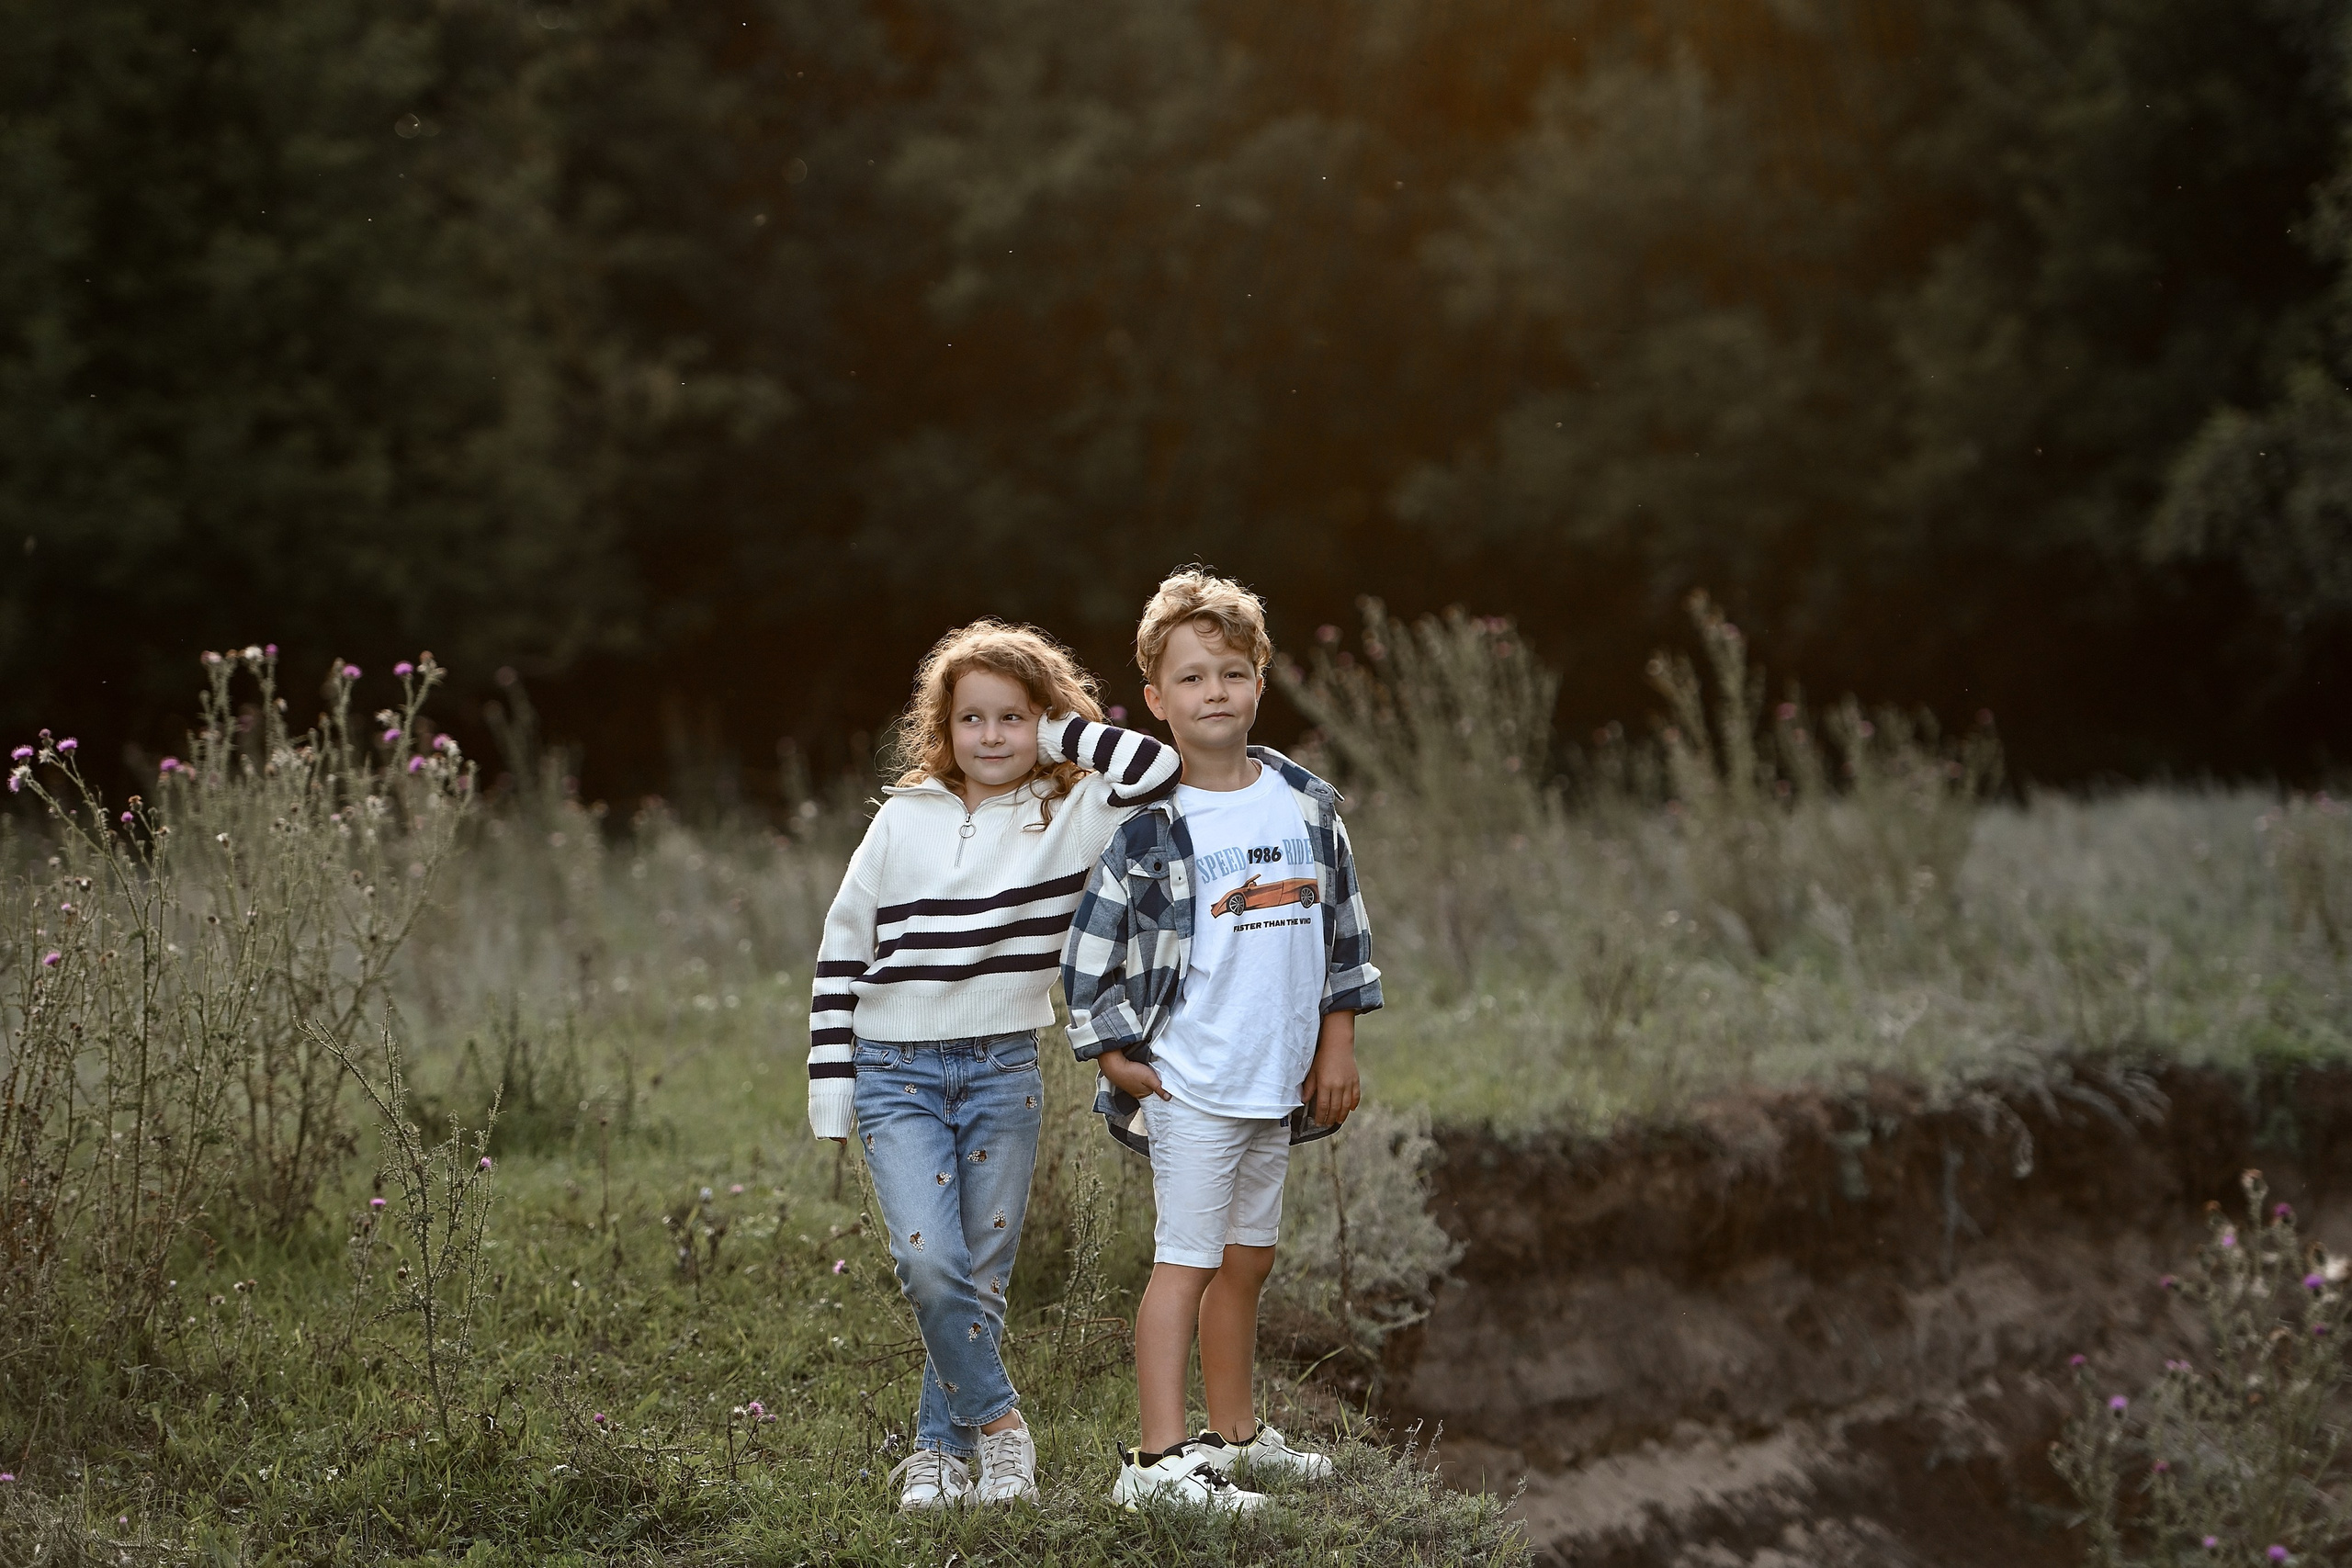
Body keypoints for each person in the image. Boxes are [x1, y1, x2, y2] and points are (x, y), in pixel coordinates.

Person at [807, 620, 1182, 1510]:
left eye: (1011, 717)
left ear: (1042, 720)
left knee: (979, 1276)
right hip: (892, 1068)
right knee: (928, 1261)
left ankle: (940, 1455)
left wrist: (1058, 733)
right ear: (944, 726)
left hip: (1000, 1068)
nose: (990, 737)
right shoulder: (902, 818)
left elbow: (1156, 769)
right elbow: (840, 949)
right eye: (971, 718)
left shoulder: (1073, 811)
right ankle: (1002, 1427)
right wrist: (831, 1088)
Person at [1062, 567, 1382, 1510]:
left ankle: (1234, 1438)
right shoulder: (1150, 828)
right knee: (1188, 1259)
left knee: (1249, 1259)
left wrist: (1337, 1046)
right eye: (1192, 678)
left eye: (1231, 674)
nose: (1215, 693)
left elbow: (1344, 937)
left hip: (1273, 1077)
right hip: (1190, 1081)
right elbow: (1090, 952)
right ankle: (1157, 1466)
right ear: (1156, 700)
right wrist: (1113, 1050)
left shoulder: (1304, 804)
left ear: (1259, 680)